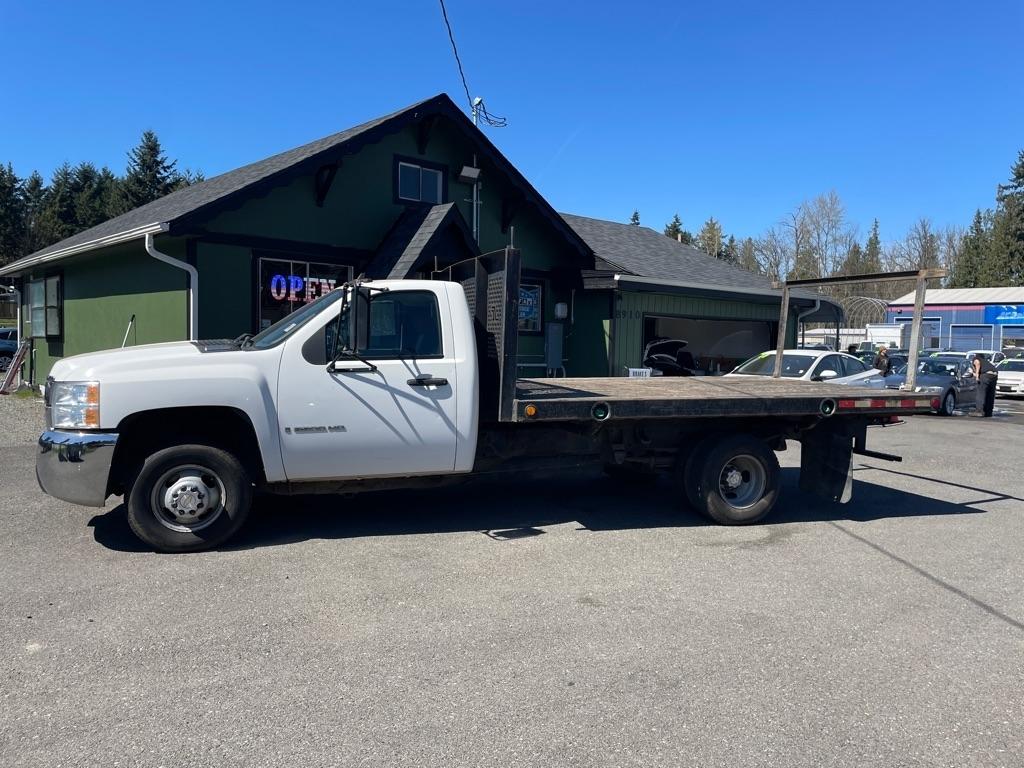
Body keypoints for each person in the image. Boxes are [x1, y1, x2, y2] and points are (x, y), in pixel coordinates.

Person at [972, 353, 998, 417]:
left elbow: (977, 363)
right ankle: (988, 412)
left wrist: (977, 376)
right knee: (990, 394)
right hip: (994, 375)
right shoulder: (986, 362)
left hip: (986, 375)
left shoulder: (976, 359)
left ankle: (979, 411)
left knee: (981, 393)